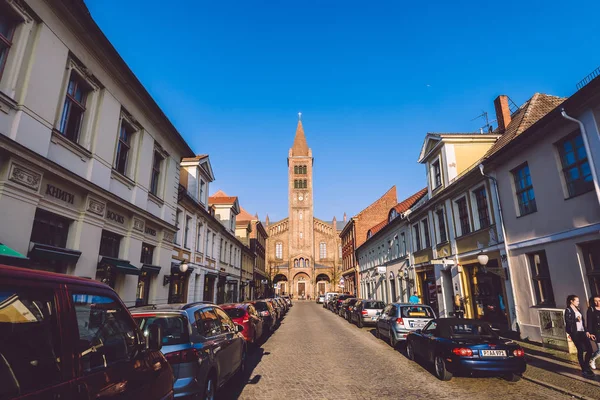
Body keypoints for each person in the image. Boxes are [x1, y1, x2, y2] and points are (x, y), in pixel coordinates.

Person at [564, 294, 596, 378]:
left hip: (582, 332)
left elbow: (582, 322)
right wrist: (575, 320)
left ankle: (586, 365)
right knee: (580, 349)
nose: (578, 302)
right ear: (572, 301)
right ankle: (584, 369)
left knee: (590, 350)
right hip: (575, 333)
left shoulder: (578, 309)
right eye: (577, 301)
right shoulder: (568, 310)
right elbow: (567, 321)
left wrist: (586, 331)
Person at [587, 295, 600, 370]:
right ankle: (592, 359)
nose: (598, 302)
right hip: (597, 332)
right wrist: (590, 332)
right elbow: (589, 322)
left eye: (599, 300)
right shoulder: (591, 309)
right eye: (596, 301)